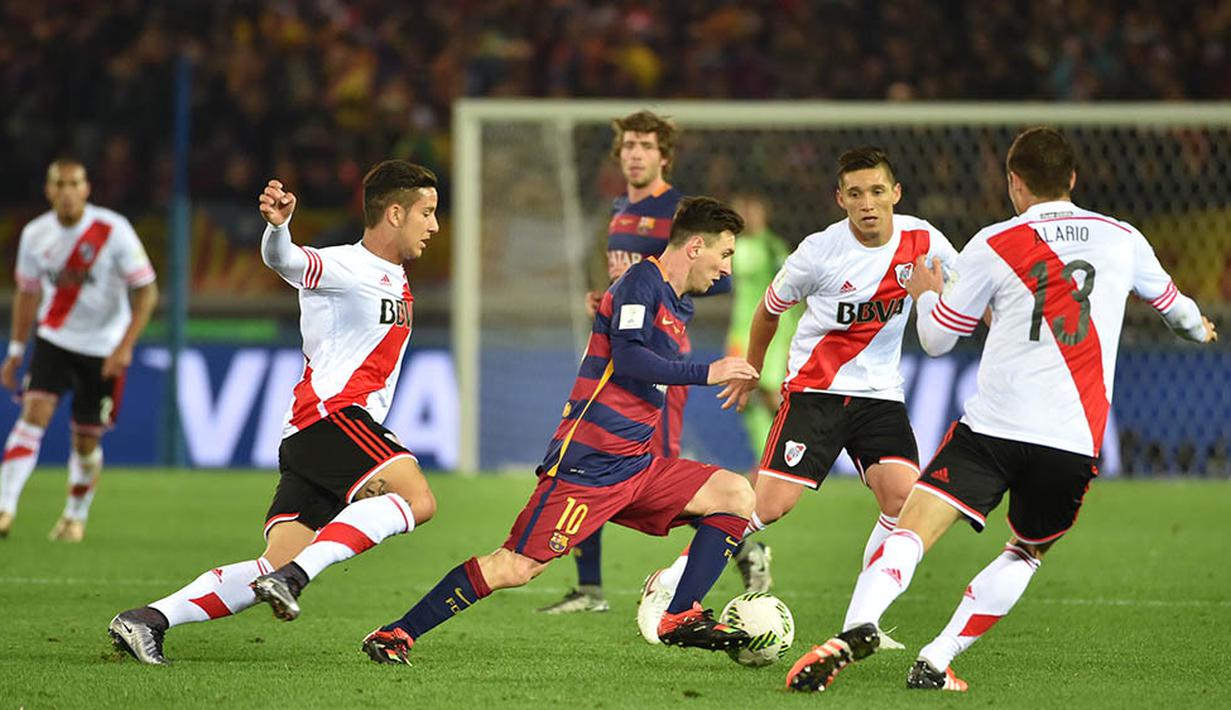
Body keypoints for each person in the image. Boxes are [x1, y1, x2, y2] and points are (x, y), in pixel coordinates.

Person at [785, 127, 1218, 693]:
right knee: (1027, 552)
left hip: (991, 429)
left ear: (1014, 182)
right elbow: (1178, 312)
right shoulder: (1122, 238)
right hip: (1070, 438)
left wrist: (924, 293)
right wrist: (1201, 330)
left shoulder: (995, 242)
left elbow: (938, 340)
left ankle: (856, 627)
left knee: (911, 530)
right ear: (1072, 179)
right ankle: (937, 659)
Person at [361, 197, 759, 665]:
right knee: (516, 566)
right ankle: (396, 634)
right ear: (695, 246)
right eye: (725, 254)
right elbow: (628, 359)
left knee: (735, 494)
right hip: (588, 467)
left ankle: (679, 614)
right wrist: (706, 372)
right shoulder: (641, 283)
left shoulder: (676, 301)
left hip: (635, 464)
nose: (726, 269)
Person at [108, 160, 441, 664]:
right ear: (394, 213)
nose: (435, 225)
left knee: (273, 560)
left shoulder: (394, 276)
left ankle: (148, 620)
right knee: (417, 499)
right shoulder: (346, 266)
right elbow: (286, 262)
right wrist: (278, 227)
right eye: (427, 212)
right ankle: (295, 578)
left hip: (308, 434)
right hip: (335, 417)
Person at [636, 147, 958, 645]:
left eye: (877, 192)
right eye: (855, 194)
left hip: (881, 398)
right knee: (769, 504)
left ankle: (861, 622)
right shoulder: (818, 252)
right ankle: (672, 581)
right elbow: (768, 310)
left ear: (895, 193)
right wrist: (753, 369)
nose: (867, 203)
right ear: (840, 199)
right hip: (816, 394)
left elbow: (961, 291)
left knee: (902, 502)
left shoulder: (926, 241)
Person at [538, 110, 759, 615]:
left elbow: (713, 277)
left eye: (646, 146)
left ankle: (740, 539)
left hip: (655, 363)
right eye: (628, 145)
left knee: (648, 474)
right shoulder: (620, 209)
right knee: (590, 461)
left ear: (665, 155)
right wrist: (611, 300)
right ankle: (590, 587)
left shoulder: (675, 212)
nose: (635, 154)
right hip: (624, 350)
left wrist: (651, 311)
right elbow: (632, 280)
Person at [0, 158, 157, 542]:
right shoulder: (35, 235)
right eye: (59, 184)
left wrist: (125, 345)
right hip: (55, 340)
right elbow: (28, 292)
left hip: (103, 350)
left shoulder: (113, 231)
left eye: (74, 183)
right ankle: (4, 507)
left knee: (86, 440)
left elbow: (147, 291)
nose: (67, 192)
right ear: (48, 190)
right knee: (33, 414)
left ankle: (74, 517)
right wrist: (17, 349)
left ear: (86, 189)